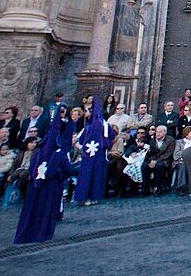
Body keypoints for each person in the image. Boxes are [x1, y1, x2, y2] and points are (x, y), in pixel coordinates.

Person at [14, 105, 73, 244]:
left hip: (36, 185)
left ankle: (27, 232)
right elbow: (67, 170)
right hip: (51, 185)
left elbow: (33, 167)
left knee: (32, 209)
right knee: (46, 210)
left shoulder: (39, 152)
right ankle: (42, 233)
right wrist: (60, 176)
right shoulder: (59, 153)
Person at [73, 95, 114, 205]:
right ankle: (85, 196)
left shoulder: (102, 124)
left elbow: (110, 136)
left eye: (87, 111)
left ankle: (91, 196)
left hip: (98, 155)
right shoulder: (91, 125)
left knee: (93, 174)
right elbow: (80, 139)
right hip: (89, 155)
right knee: (87, 174)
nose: (85, 113)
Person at [6, 136, 39, 201]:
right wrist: (10, 174)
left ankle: (24, 195)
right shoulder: (22, 152)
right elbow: (14, 164)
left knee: (22, 175)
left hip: (30, 168)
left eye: (35, 143)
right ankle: (8, 195)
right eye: (31, 143)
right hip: (21, 168)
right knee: (14, 175)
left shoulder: (37, 152)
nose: (33, 144)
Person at [145, 124, 175, 194]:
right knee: (144, 166)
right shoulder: (152, 140)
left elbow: (168, 154)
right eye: (157, 132)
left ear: (165, 132)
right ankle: (146, 188)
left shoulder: (170, 140)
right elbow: (151, 152)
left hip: (165, 160)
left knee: (159, 166)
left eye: (160, 132)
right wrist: (152, 160)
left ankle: (158, 188)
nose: (158, 134)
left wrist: (156, 161)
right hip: (153, 159)